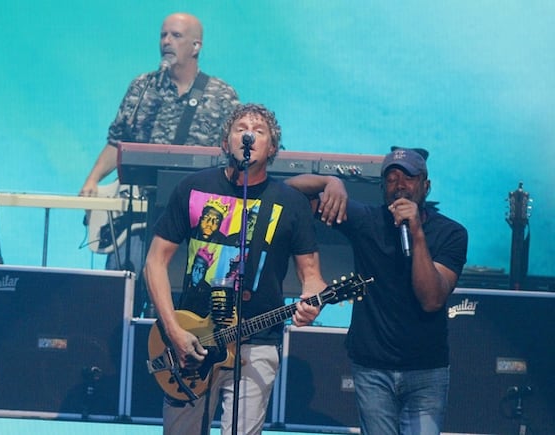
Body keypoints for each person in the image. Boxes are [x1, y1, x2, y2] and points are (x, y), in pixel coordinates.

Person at [143, 103, 326, 434]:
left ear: (272, 148)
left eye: (259, 131)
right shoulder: (193, 188)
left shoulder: (290, 203)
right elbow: (155, 261)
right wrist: (173, 330)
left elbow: (311, 276)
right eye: (240, 127)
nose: (249, 134)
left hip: (257, 341)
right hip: (193, 339)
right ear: (226, 142)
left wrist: (313, 301)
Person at [286, 147, 468, 435]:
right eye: (392, 178)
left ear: (426, 186)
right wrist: (330, 182)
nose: (400, 185)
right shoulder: (367, 220)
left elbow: (432, 299)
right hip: (372, 367)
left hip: (426, 370)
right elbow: (288, 192)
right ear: (383, 187)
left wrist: (417, 232)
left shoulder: (451, 234)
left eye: (408, 177)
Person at [79, 12, 240, 314]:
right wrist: (92, 181)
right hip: (137, 217)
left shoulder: (221, 95)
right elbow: (118, 142)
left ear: (196, 46)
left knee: (178, 306)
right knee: (117, 301)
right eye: (163, 35)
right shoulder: (142, 88)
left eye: (176, 36)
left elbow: (233, 157)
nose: (167, 41)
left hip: (189, 223)